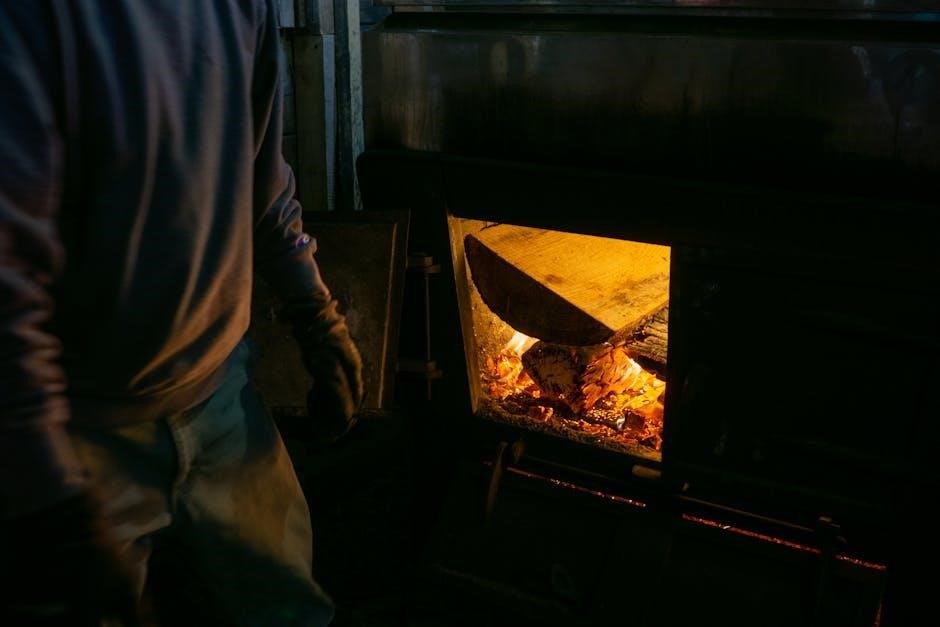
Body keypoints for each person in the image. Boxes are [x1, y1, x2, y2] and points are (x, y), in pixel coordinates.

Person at [0, 1, 364, 625]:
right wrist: (44, 492)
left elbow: (262, 178)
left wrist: (317, 316)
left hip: (223, 397)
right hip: (82, 437)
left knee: (289, 612)